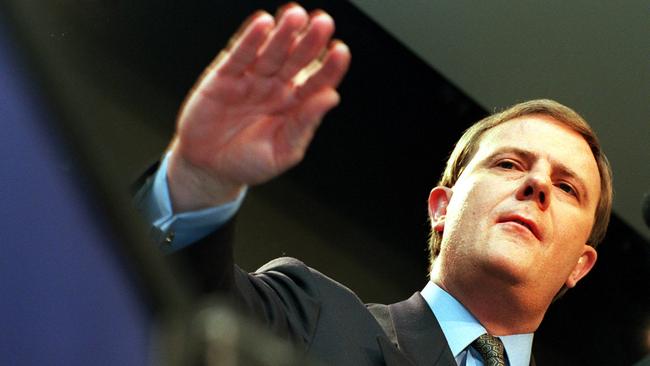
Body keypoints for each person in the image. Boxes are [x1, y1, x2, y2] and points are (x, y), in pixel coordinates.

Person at [135, 4, 613, 366]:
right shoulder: (315, 318)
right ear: (442, 207)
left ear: (580, 265)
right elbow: (177, 304)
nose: (537, 184)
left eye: (568, 187)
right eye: (509, 164)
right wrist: (199, 181)